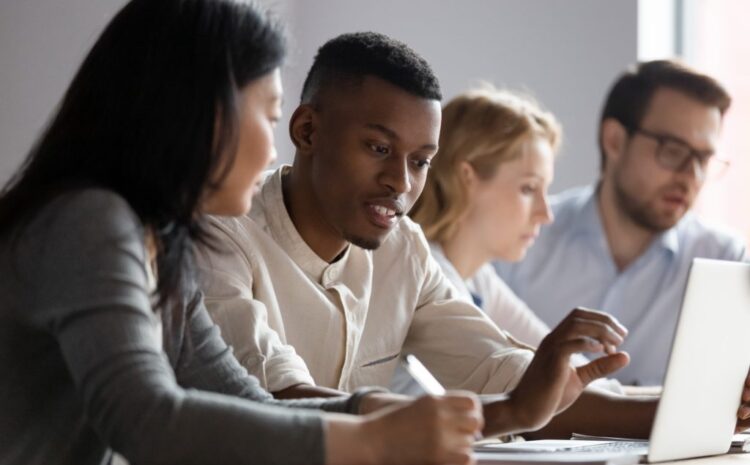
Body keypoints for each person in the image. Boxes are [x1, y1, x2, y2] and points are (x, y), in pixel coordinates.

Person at [0, 2, 487, 464]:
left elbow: (247, 402)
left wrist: (362, 411)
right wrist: (369, 439)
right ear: (202, 111)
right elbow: (146, 420)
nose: (277, 151)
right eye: (271, 115)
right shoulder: (88, 221)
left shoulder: (160, 242)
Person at [197, 31, 653, 439]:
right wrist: (511, 411)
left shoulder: (403, 247)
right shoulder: (222, 234)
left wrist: (703, 417)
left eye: (419, 161)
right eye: (379, 149)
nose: (400, 181)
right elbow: (279, 400)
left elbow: (500, 373)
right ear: (307, 130)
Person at [495, 60, 748, 386]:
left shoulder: (723, 259)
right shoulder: (524, 236)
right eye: (673, 151)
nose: (691, 177)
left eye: (703, 159)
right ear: (614, 140)